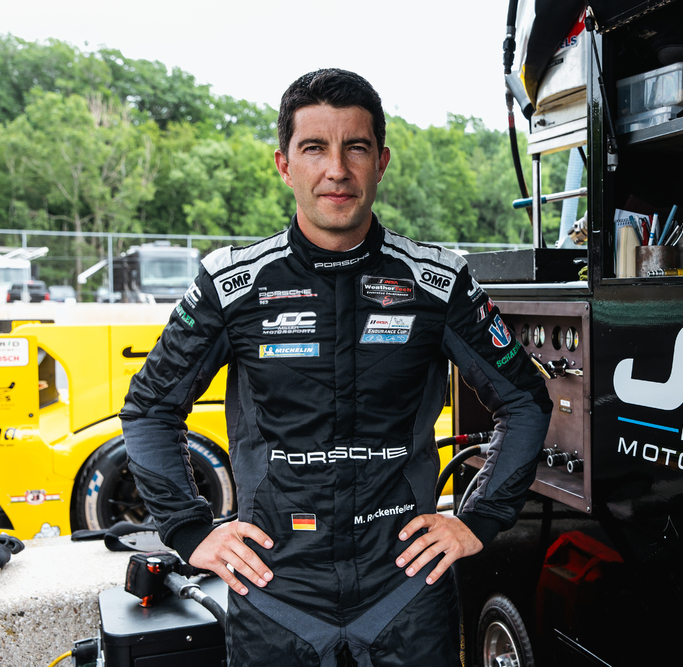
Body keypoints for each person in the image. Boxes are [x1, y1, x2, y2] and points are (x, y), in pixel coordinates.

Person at [121, 68, 552, 667]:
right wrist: (191, 531)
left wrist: (478, 519)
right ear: (284, 165)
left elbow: (526, 400)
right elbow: (149, 409)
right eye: (314, 148)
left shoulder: (437, 281)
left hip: (406, 592)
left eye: (356, 147)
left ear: (382, 161)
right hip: (274, 596)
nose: (337, 170)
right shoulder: (231, 284)